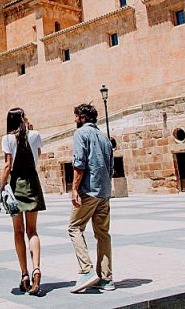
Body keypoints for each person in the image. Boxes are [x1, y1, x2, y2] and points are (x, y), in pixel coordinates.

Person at [68, 103, 114, 293]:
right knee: (103, 234)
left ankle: (86, 271)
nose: (75, 120)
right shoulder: (104, 137)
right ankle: (106, 278)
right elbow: (111, 166)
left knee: (74, 227)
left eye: (76, 116)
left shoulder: (81, 134)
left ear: (83, 117)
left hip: (88, 190)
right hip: (104, 192)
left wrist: (74, 188)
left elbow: (80, 163)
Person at [0, 107, 46, 295]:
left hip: (16, 185)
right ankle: (37, 269)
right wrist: (31, 130)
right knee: (32, 231)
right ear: (22, 119)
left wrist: (0, 187)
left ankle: (24, 274)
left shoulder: (7, 139)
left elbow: (7, 165)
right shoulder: (35, 135)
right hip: (32, 184)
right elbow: (38, 156)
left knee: (18, 231)